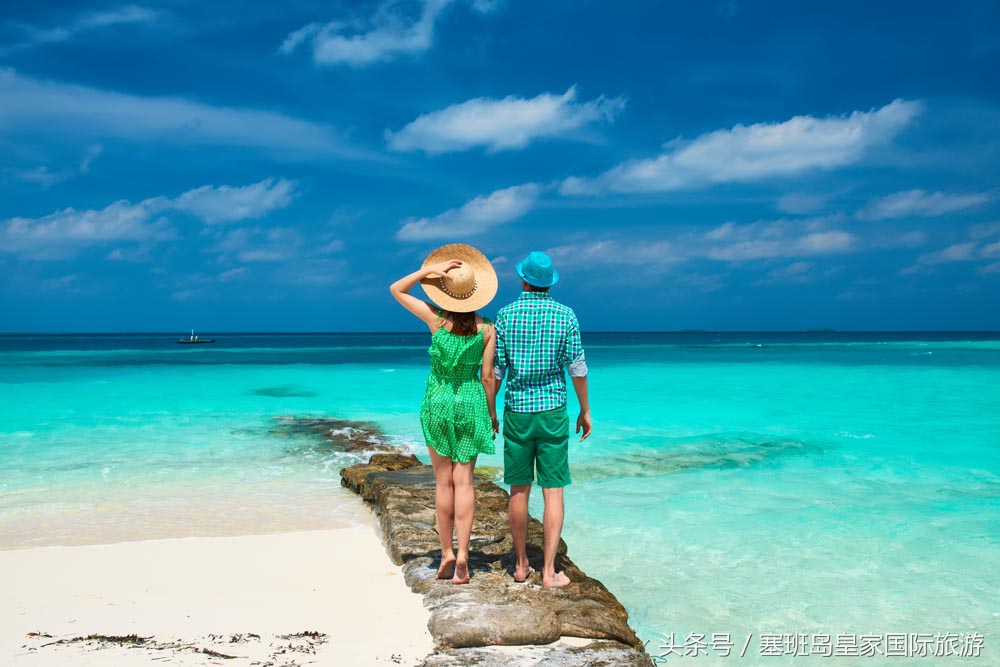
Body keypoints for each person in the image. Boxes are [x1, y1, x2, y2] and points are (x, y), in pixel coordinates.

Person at [389, 243, 499, 585]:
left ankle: (447, 554)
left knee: (442, 482)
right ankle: (465, 555)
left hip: (437, 402)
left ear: (447, 293)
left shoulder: (435, 319)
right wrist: (492, 415)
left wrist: (427, 273)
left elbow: (396, 289)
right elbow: (487, 376)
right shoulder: (487, 329)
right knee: (464, 481)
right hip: (470, 401)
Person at [494, 250, 591, 588]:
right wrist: (585, 410)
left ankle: (521, 565)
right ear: (549, 283)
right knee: (553, 491)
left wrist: (490, 410)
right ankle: (549, 572)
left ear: (523, 280)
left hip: (518, 410)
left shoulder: (505, 315)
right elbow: (577, 368)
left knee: (518, 489)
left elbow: (495, 371)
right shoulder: (566, 316)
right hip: (552, 411)